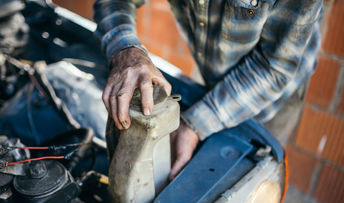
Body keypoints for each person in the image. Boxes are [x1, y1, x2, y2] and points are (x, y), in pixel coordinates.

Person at [93, 0, 322, 180]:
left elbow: (275, 67)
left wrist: (196, 123)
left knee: (251, 185)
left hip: (273, 92)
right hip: (213, 67)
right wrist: (126, 51)